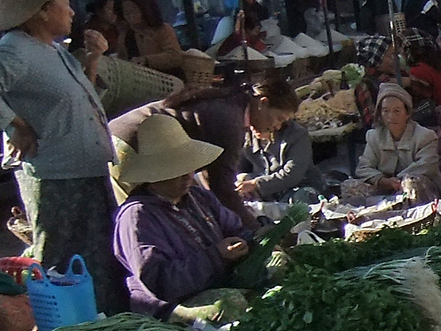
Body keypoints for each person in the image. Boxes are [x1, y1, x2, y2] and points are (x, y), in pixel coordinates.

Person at [0, 0, 125, 313]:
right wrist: (15, 124)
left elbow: (76, 99)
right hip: (56, 177)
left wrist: (93, 59)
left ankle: (104, 325)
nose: (72, 11)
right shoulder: (14, 51)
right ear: (41, 10)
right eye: (65, 3)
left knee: (97, 254)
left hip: (85, 168)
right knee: (62, 257)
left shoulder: (51, 51)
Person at [112, 113, 252, 320]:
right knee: (230, 304)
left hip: (217, 282)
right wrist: (216, 256)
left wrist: (256, 241)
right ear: (155, 174)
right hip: (170, 305)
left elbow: (234, 227)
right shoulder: (138, 216)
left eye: (188, 166)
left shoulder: (197, 196)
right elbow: (158, 282)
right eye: (177, 169)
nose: (188, 174)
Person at [110, 80, 301, 225]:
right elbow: (222, 187)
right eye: (279, 118)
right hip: (129, 146)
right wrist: (253, 230)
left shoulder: (231, 104)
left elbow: (210, 180)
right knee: (139, 217)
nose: (277, 126)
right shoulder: (229, 121)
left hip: (125, 136)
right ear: (263, 103)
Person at [345, 83, 441, 204]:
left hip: (423, 191)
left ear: (407, 113)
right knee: (349, 186)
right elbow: (364, 167)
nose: (391, 117)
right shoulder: (374, 136)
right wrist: (382, 181)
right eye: (386, 111)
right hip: (385, 190)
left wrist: (399, 180)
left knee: (411, 183)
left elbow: (427, 165)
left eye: (397, 111)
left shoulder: (425, 136)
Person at [236, 102, 322, 203]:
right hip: (266, 193)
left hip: (297, 188)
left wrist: (256, 184)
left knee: (301, 198)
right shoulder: (248, 137)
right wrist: (243, 181)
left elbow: (292, 175)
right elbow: (240, 167)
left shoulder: (297, 135)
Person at [116, 0, 183, 74]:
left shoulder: (162, 29)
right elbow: (122, 61)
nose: (130, 15)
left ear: (143, 9)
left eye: (133, 10)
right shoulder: (125, 36)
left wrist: (147, 60)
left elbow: (175, 57)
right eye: (126, 12)